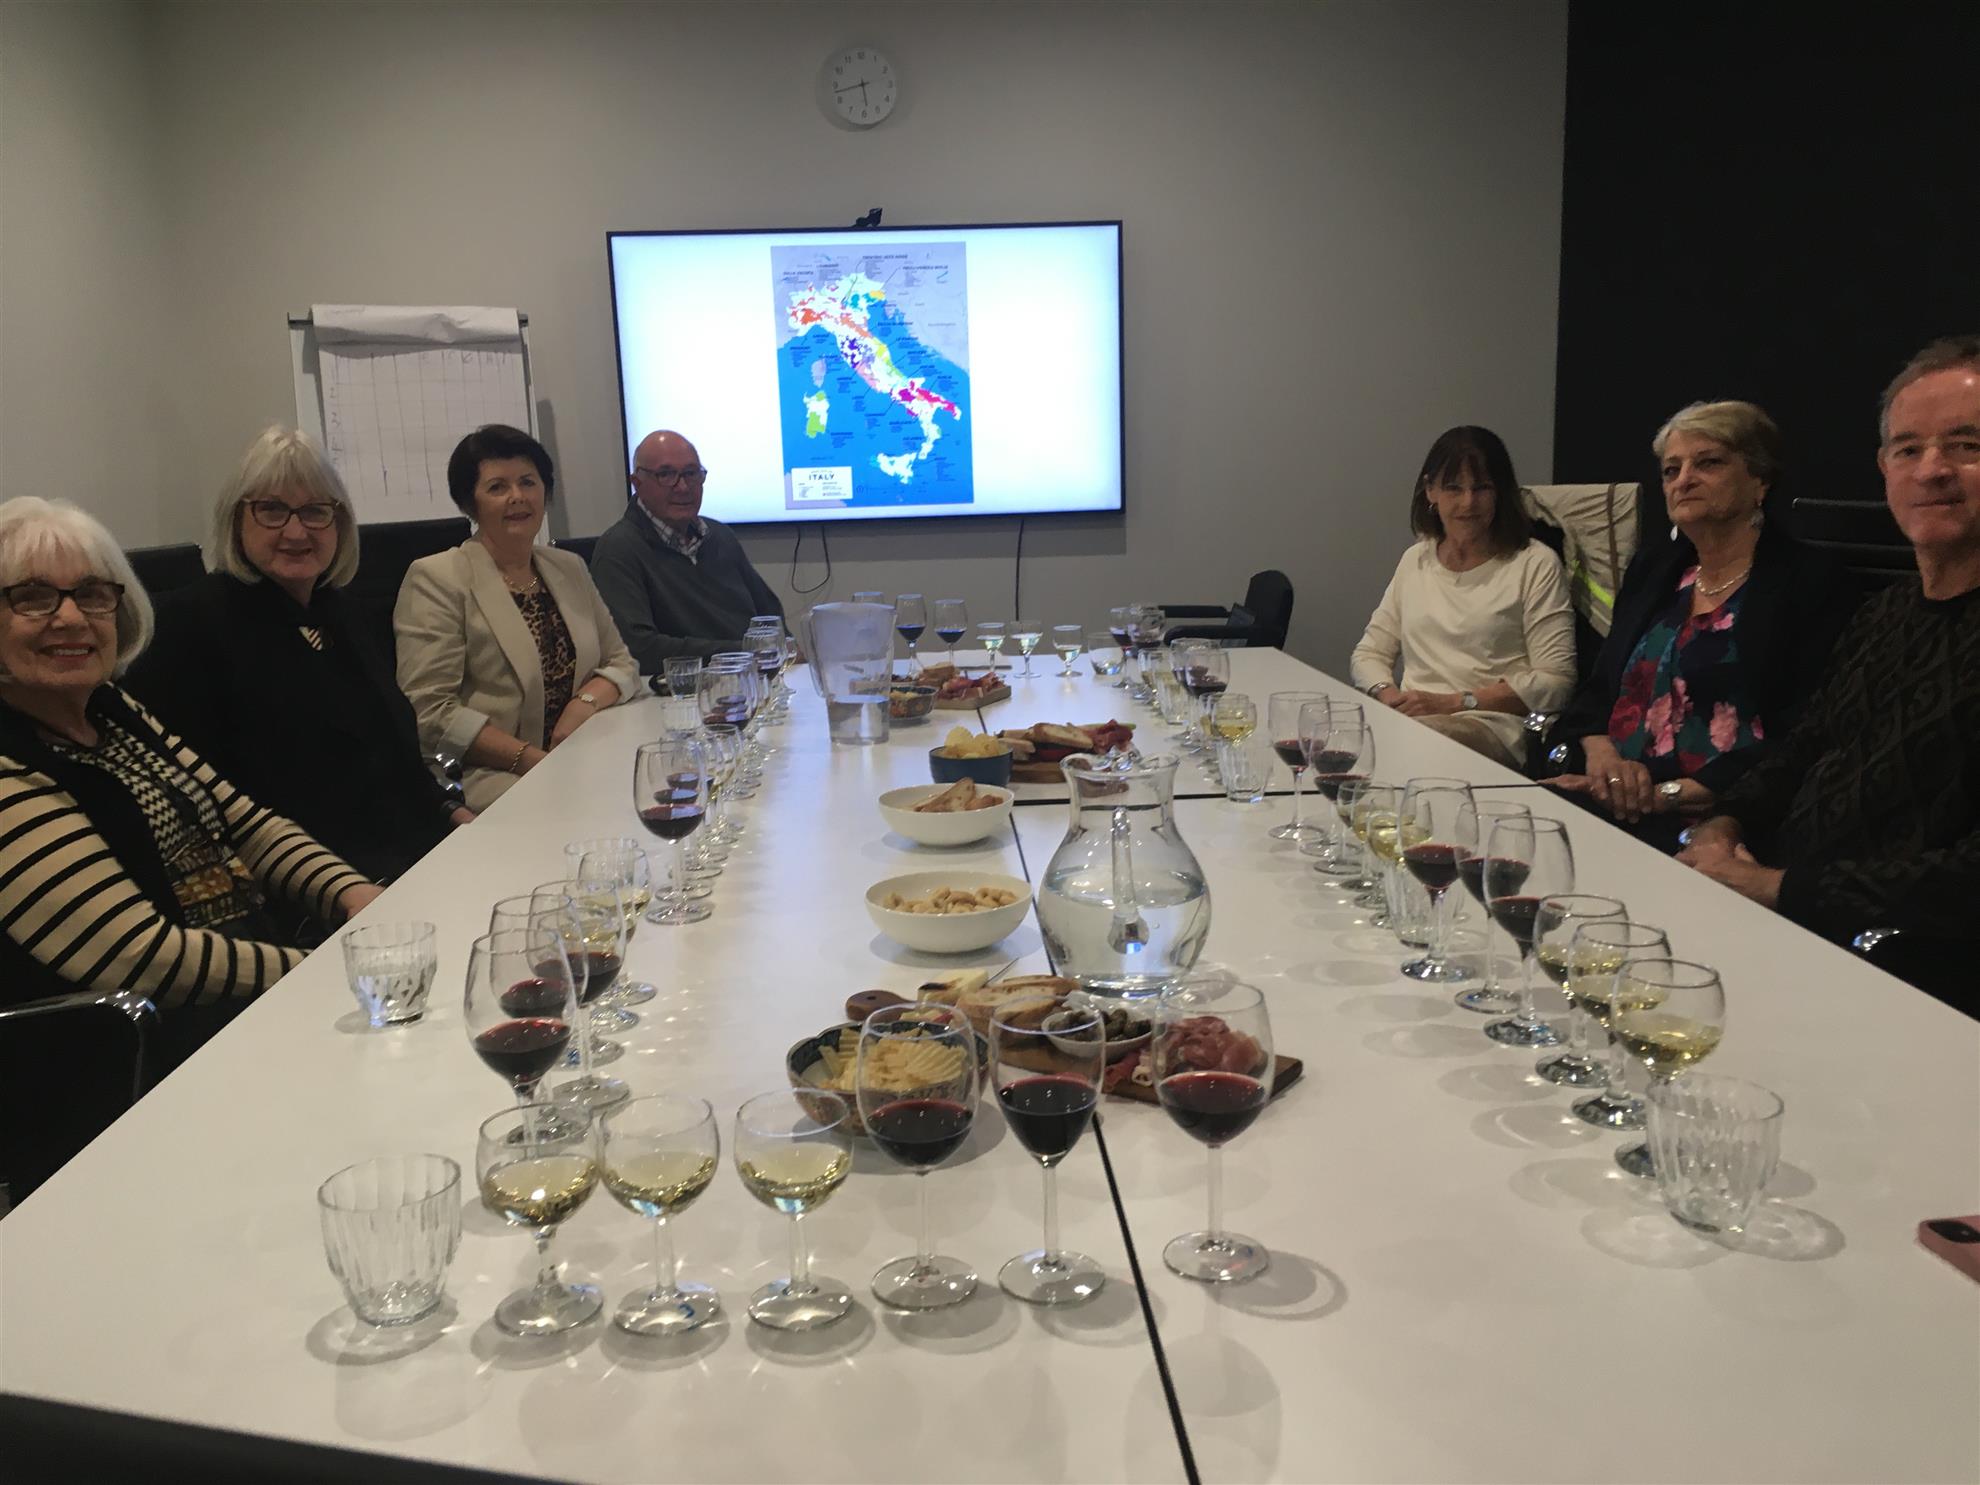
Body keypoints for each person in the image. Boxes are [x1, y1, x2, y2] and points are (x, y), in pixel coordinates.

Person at [0, 496, 379, 1031]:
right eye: (33, 598)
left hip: (255, 1000)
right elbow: (139, 957)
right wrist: (326, 970)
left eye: (91, 594)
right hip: (151, 1055)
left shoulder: (112, 709)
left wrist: (353, 891)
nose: (70, 617)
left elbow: (245, 824)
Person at [1678, 336, 1980, 957]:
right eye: (1908, 449)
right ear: (1884, 469)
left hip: (1897, 964)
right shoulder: (1887, 611)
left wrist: (1777, 887)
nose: (1931, 470)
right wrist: (1722, 825)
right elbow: (1807, 747)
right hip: (1777, 916)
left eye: (1966, 446)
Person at [124, 427, 468, 883]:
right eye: (271, 510)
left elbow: (392, 752)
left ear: (339, 523)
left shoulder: (340, 612)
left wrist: (453, 815)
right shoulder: (191, 624)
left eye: (314, 511)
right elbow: (208, 803)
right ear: (236, 520)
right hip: (307, 883)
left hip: (409, 858)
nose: (295, 530)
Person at [1543, 402, 1856, 850]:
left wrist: (1665, 795)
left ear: (1760, 480)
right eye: (1672, 470)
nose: (1684, 480)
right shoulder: (1654, 569)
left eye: (1708, 463)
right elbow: (1599, 689)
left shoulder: (1810, 580)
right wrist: (1603, 758)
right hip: (1608, 796)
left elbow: (1807, 732)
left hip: (1722, 820)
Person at [394, 425, 639, 811]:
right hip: (493, 774)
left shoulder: (568, 567)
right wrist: (532, 760)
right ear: (470, 503)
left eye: (528, 482)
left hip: (579, 757)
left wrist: (584, 703)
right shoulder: (437, 578)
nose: (518, 497)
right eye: (497, 487)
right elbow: (430, 713)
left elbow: (622, 663)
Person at [1349, 425, 1578, 767]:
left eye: (1482, 488)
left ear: (1500, 493)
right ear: (1431, 491)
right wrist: (1389, 695)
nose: (1468, 502)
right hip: (1414, 722)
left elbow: (1556, 682)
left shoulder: (1534, 564)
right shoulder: (1416, 560)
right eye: (1454, 488)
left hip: (1493, 727)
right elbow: (1369, 653)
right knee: (1338, 735)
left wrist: (1454, 703)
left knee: (1403, 745)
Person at [590, 429, 785, 668]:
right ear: (637, 484)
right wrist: (745, 653)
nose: (683, 487)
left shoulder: (720, 536)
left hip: (754, 677)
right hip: (683, 687)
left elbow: (770, 616)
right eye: (666, 475)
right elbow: (638, 648)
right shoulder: (619, 550)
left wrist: (784, 651)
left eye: (691, 473)